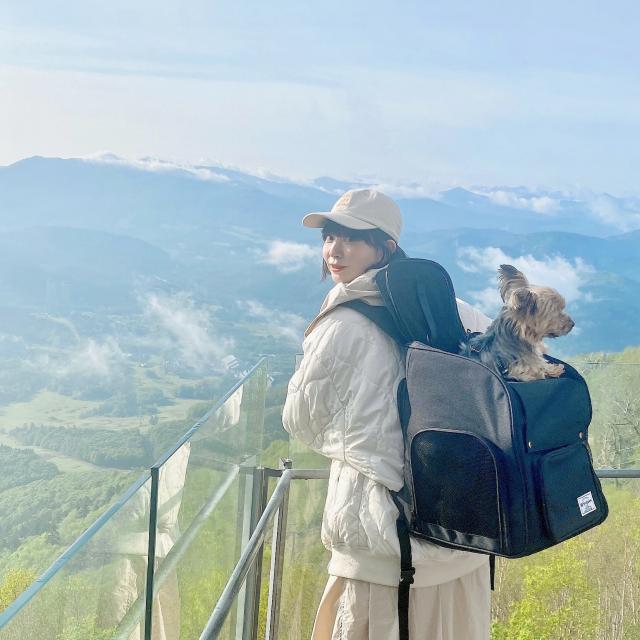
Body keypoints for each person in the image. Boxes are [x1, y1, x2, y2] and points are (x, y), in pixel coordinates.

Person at [282, 188, 492, 640]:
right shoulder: (455, 310)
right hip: (464, 532)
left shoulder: (343, 322)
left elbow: (300, 418)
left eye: (352, 239)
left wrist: (361, 440)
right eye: (329, 237)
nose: (334, 250)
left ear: (385, 248)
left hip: (384, 547)